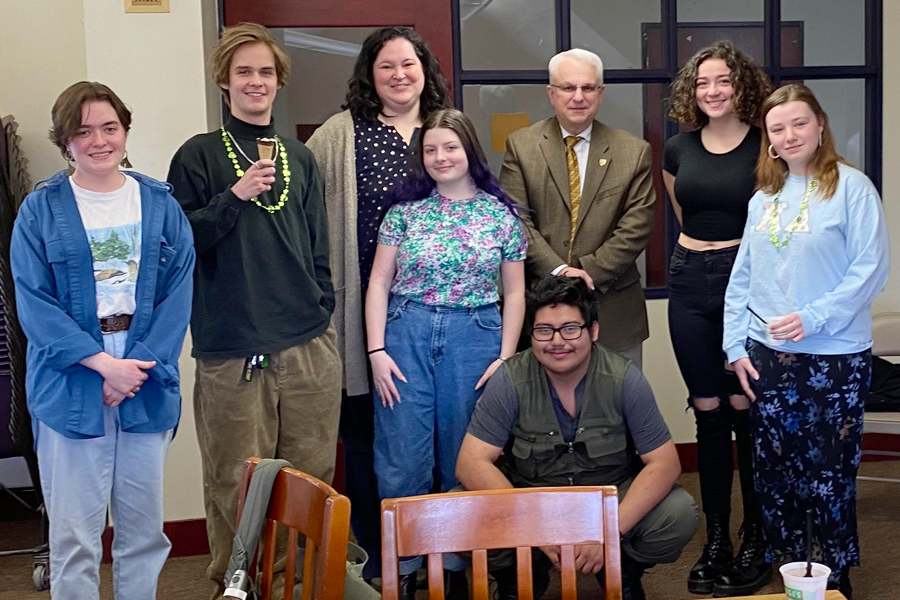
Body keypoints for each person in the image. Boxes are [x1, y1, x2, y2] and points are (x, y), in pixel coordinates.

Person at [166, 22, 341, 597]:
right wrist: (233, 196)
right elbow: (178, 246)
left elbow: (318, 247)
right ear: (224, 81)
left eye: (265, 72)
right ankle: (236, 585)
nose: (256, 82)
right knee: (235, 483)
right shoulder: (197, 156)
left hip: (309, 344)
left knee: (310, 480)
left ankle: (297, 586)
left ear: (278, 81)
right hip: (234, 349)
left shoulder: (300, 157)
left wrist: (322, 306)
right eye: (244, 71)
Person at [10, 81, 194, 599]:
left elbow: (178, 292)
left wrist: (133, 366)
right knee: (74, 537)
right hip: (71, 377)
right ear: (64, 140)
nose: (98, 141)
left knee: (143, 534)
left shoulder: (159, 203)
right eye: (83, 130)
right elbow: (34, 304)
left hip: (145, 375)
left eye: (109, 128)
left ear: (125, 132)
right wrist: (101, 365)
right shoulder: (39, 210)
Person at [723, 83, 890, 600]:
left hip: (834, 358)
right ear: (768, 139)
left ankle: (835, 579)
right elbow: (743, 278)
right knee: (775, 473)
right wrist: (735, 349)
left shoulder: (853, 188)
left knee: (828, 473)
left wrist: (813, 318)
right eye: (778, 128)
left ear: (819, 125)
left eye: (799, 123)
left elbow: (871, 269)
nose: (790, 134)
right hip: (767, 357)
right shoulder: (763, 199)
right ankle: (793, 576)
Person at [306, 26, 450, 580]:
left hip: (435, 310)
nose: (398, 75)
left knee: (438, 430)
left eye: (408, 64)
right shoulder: (342, 134)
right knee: (365, 434)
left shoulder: (444, 128)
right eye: (386, 66)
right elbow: (305, 215)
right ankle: (376, 553)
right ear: (370, 74)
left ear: (424, 70)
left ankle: (443, 552)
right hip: (360, 306)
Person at [366, 108, 526, 600]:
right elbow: (378, 281)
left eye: (450, 147)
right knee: (401, 457)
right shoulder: (404, 211)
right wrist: (375, 349)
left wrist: (505, 357)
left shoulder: (501, 215)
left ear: (469, 151)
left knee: (464, 457)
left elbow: (516, 293)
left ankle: (458, 569)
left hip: (475, 335)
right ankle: (406, 569)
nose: (440, 157)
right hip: (404, 335)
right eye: (431, 149)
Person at [456, 276, 698, 600]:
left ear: (593, 330)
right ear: (532, 333)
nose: (558, 341)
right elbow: (471, 463)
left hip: (607, 497)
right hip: (534, 498)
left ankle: (621, 569)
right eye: (544, 330)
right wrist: (534, 527)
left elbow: (665, 464)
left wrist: (606, 534)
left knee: (678, 512)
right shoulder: (509, 379)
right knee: (458, 512)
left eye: (571, 328)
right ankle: (518, 576)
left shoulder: (624, 378)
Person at [662, 41, 773, 596]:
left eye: (723, 80)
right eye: (703, 81)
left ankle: (756, 537)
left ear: (740, 85)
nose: (712, 90)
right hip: (687, 281)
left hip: (744, 283)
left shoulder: (765, 146)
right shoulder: (677, 149)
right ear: (692, 88)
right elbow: (684, 212)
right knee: (707, 414)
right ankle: (715, 541)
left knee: (743, 410)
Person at [499, 48, 654, 367]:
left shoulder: (633, 151)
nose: (578, 96)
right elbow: (515, 220)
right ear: (551, 93)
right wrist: (559, 271)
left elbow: (637, 225)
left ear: (601, 93)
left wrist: (588, 273)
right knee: (543, 412)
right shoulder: (521, 146)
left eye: (588, 88)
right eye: (568, 88)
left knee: (616, 411)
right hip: (541, 311)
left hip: (613, 313)